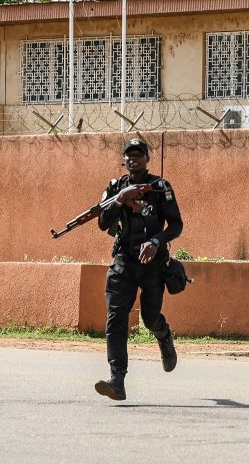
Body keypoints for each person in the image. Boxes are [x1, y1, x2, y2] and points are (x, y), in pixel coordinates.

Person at [94, 138, 184, 401]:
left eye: (139, 155)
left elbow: (176, 225)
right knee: (116, 317)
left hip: (152, 263)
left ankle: (164, 336)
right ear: (124, 160)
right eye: (129, 155)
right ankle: (117, 380)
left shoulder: (160, 188)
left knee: (149, 317)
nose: (134, 159)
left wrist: (157, 242)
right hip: (124, 260)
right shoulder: (115, 187)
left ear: (147, 159)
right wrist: (119, 200)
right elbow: (102, 222)